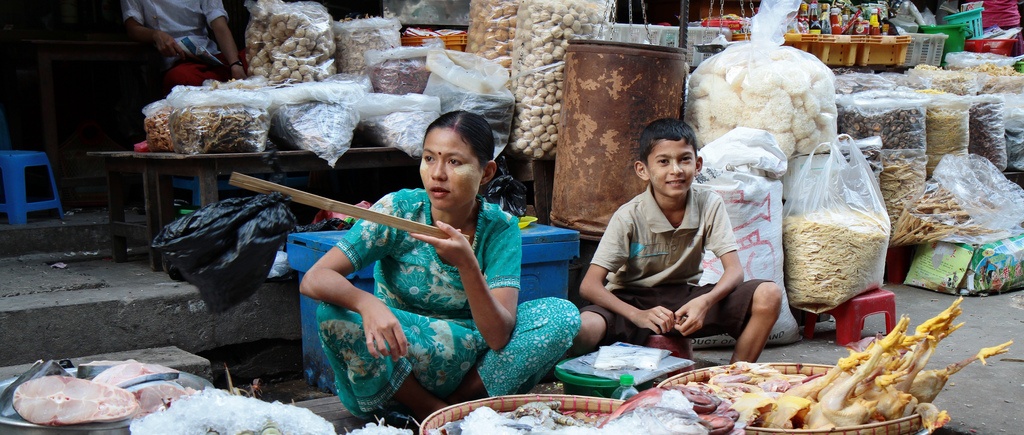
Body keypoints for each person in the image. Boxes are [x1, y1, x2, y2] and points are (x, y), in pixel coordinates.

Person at [299, 111, 580, 421]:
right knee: (332, 310)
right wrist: (367, 304)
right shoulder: (399, 211)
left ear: (486, 173)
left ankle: (456, 406)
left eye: (454, 162)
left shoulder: (500, 228)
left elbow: (498, 336)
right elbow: (315, 278)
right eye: (429, 158)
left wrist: (468, 266)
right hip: (400, 363)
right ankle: (427, 409)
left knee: (561, 315)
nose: (438, 173)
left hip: (471, 366)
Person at [571, 118, 782, 363]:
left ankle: (733, 377)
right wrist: (638, 315)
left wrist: (704, 302)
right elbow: (589, 286)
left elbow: (734, 271)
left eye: (684, 159)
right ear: (643, 170)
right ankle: (589, 381)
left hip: (685, 302)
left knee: (769, 294)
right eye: (663, 162)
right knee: (584, 328)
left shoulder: (708, 203)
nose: (676, 170)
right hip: (631, 302)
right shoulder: (629, 215)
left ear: (698, 163)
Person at [120, 0, 248, 95]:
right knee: (180, 79)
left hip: (210, 55)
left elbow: (219, 25)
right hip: (178, 60)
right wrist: (155, 35)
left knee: (254, 60)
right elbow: (133, 28)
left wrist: (235, 64)